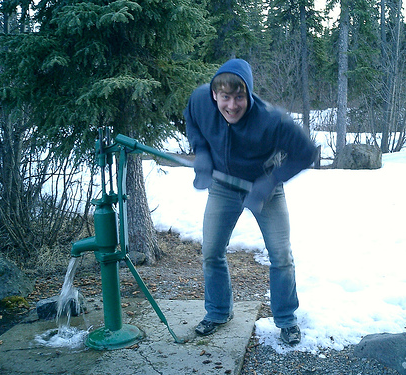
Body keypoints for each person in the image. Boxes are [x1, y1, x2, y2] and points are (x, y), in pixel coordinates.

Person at [183, 58, 317, 345]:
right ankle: (218, 312)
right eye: (225, 97)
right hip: (222, 185)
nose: (232, 105)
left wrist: (271, 181)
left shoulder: (272, 119)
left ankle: (286, 319)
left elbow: (306, 152)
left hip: (263, 187)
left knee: (281, 256)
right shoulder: (200, 100)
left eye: (239, 97)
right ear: (214, 95)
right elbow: (191, 119)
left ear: (249, 94)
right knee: (211, 251)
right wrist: (202, 151)